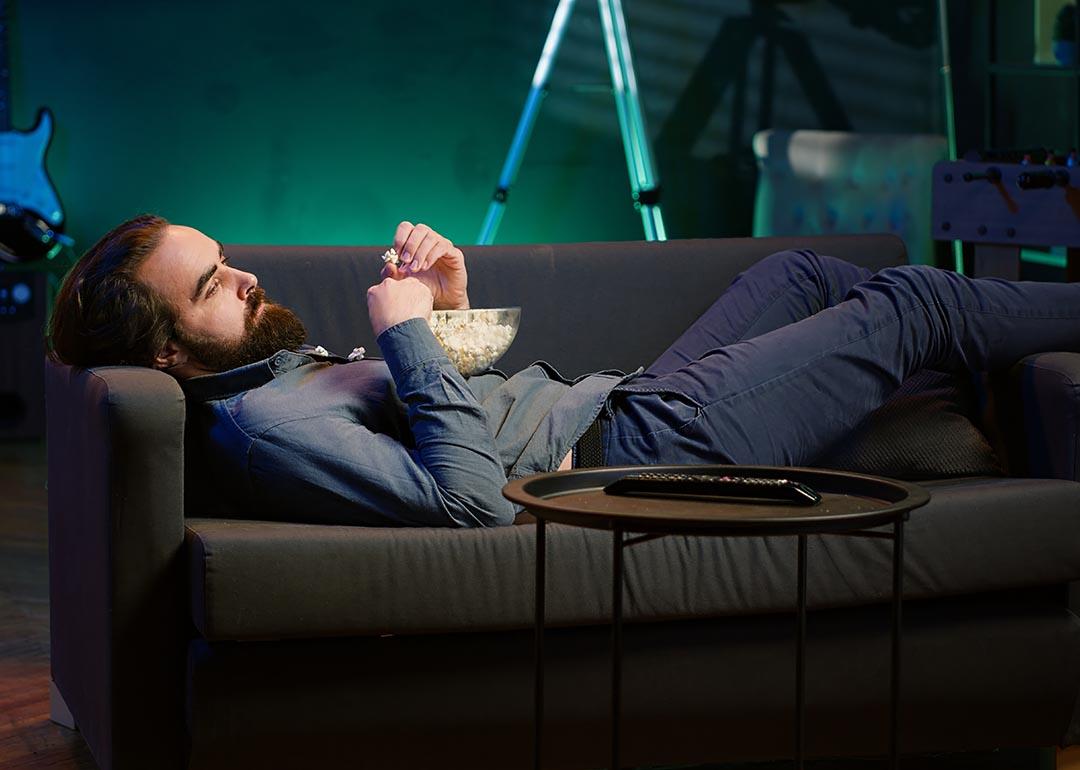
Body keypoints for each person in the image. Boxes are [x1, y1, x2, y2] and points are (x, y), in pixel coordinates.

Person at [47, 214, 1080, 527]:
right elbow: (470, 499)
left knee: (800, 268)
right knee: (910, 305)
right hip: (637, 453)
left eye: (226, 258)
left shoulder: (269, 375)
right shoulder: (270, 430)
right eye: (215, 283)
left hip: (624, 405)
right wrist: (406, 337)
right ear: (168, 354)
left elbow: (470, 404)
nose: (247, 276)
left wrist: (446, 308)